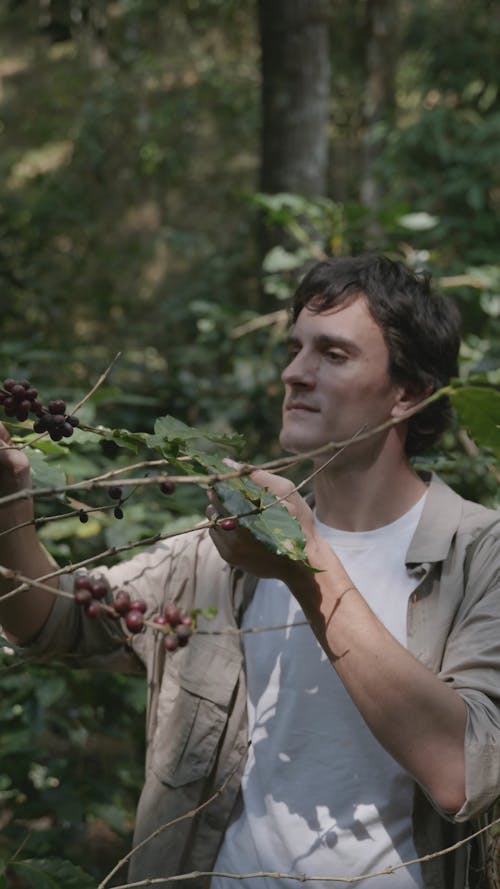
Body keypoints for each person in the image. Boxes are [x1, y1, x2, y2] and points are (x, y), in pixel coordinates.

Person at [0, 254, 499, 889]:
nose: (294, 373)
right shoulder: (228, 552)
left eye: (333, 354)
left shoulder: (479, 555)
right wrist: (8, 504)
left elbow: (461, 773)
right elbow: (52, 618)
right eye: (295, 349)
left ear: (408, 393)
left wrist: (305, 566)